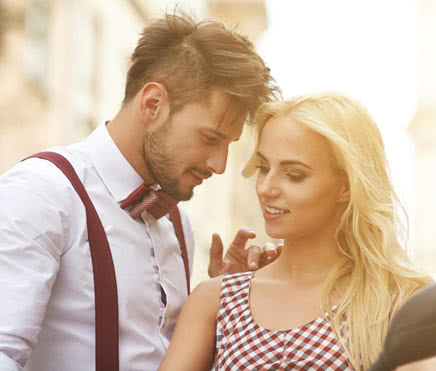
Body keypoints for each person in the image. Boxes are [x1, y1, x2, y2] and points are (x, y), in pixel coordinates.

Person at [0, 13, 281, 371]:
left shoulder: (177, 223)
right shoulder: (41, 193)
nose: (219, 164)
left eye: (228, 145)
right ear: (153, 104)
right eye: (210, 138)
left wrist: (216, 306)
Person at [159, 93, 436, 370]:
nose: (266, 188)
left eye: (294, 175)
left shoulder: (397, 302)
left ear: (346, 186)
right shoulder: (215, 301)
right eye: (263, 167)